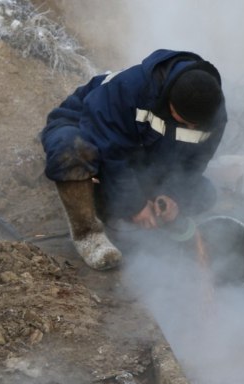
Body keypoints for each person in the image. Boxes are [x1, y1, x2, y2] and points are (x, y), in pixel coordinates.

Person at [40, 49, 227, 270]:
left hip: (140, 157)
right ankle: (88, 234)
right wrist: (135, 204)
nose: (191, 128)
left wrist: (171, 195)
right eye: (184, 121)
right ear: (169, 102)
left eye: (196, 125)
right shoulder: (129, 89)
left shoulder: (212, 112)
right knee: (71, 150)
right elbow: (110, 150)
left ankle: (112, 207)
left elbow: (193, 166)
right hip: (86, 130)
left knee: (205, 193)